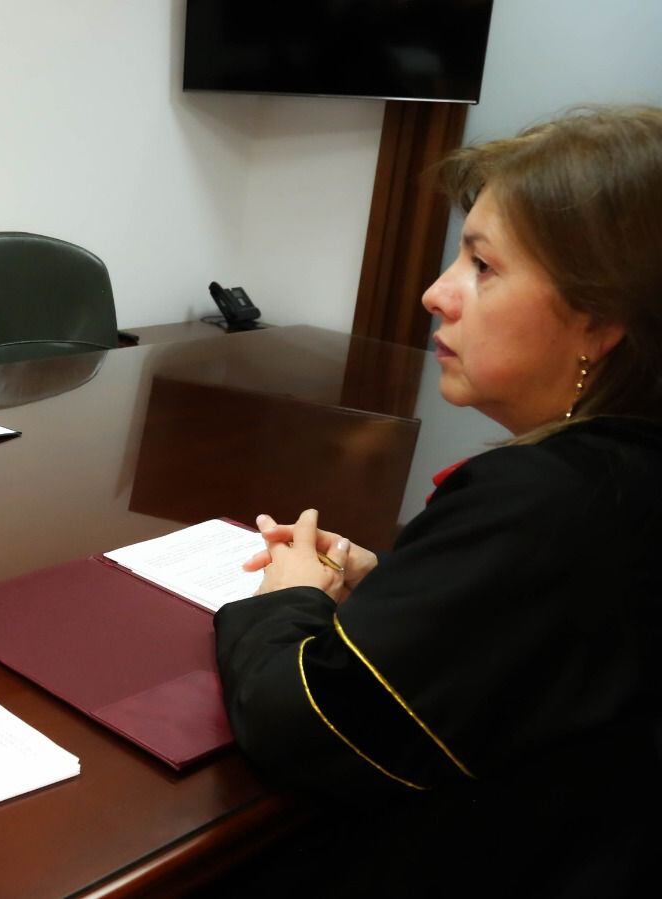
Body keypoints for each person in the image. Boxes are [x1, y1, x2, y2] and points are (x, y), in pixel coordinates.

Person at [213, 106, 662, 896]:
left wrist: (287, 598)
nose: (434, 293)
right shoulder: (623, 472)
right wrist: (392, 579)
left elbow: (304, 725)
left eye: (482, 266)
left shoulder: (547, 501)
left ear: (599, 319)